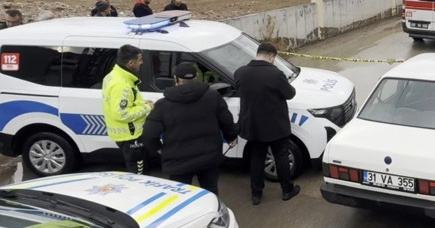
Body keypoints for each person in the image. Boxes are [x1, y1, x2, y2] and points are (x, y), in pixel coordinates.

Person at [142, 62, 237, 195]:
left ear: (175, 79)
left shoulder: (163, 104)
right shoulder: (213, 96)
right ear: (196, 76)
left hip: (178, 160)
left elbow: (149, 134)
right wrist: (231, 137)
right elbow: (226, 121)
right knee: (210, 192)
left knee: (180, 196)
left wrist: (159, 150)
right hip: (209, 157)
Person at [235, 42, 300, 205]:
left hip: (253, 126)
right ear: (271, 56)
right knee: (281, 157)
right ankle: (287, 190)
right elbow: (290, 94)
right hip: (276, 125)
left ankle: (256, 194)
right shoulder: (275, 74)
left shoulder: (240, 73)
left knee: (257, 158)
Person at [102, 44, 154, 174]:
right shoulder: (122, 85)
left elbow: (125, 101)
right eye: (140, 60)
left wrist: (141, 103)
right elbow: (122, 113)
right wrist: (146, 107)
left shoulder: (114, 75)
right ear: (131, 63)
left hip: (125, 134)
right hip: (130, 136)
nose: (142, 62)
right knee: (138, 173)